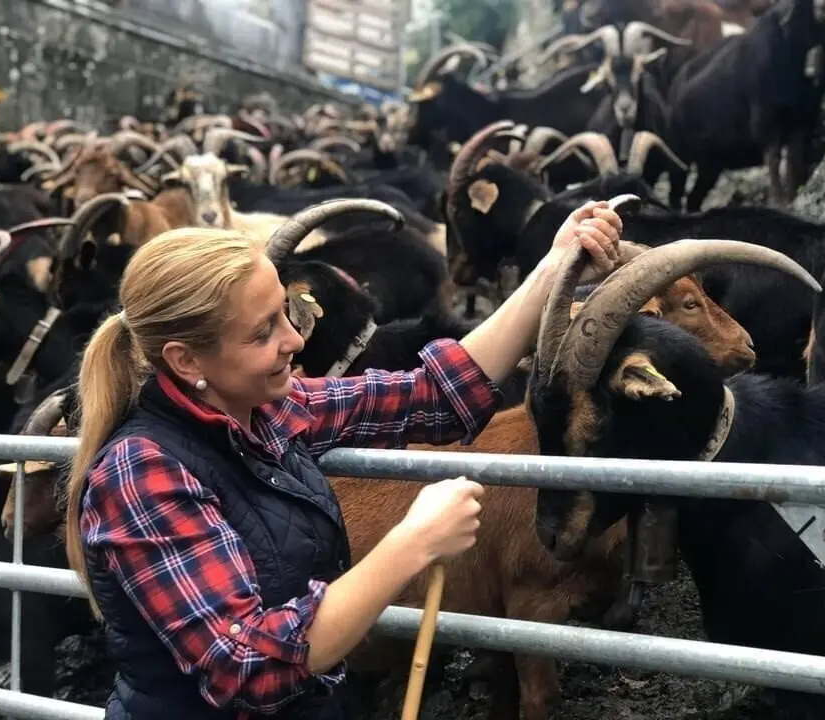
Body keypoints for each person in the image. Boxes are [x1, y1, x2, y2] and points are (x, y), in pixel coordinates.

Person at [62, 199, 624, 719]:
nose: (294, 341)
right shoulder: (140, 473)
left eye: (289, 314)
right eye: (263, 333)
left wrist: (553, 267)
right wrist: (413, 542)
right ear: (186, 362)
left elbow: (433, 391)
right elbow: (247, 663)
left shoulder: (267, 410)